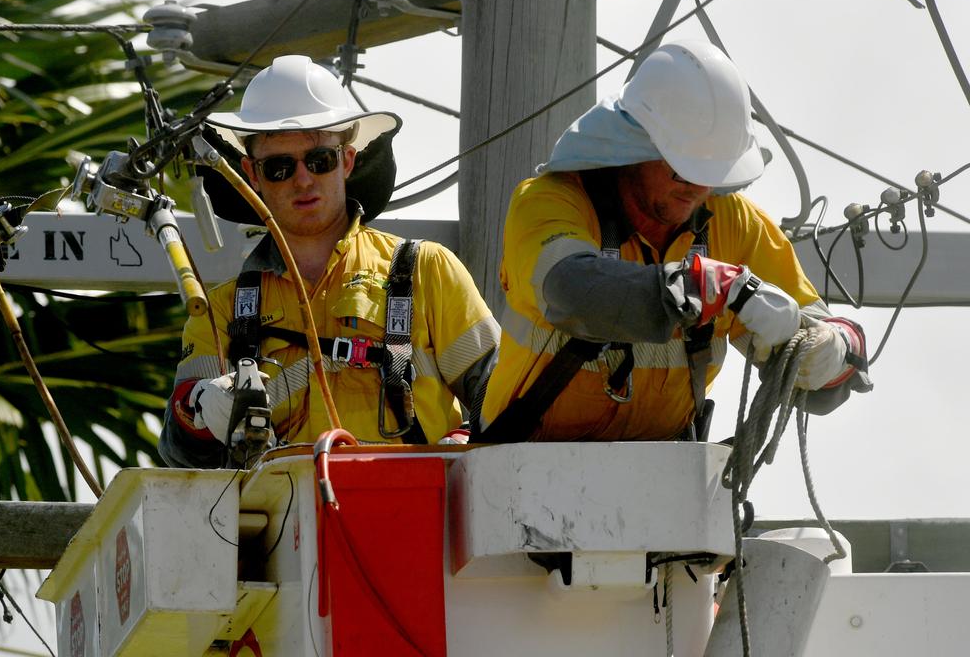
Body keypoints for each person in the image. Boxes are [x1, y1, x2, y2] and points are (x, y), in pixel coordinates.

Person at [477, 40, 871, 443]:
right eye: (682, 171)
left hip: (664, 476)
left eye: (711, 174)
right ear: (633, 148)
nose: (696, 189)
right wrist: (703, 285)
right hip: (522, 468)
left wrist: (832, 348)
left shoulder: (732, 222)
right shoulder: (550, 201)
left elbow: (821, 338)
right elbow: (573, 291)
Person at [159, 55, 500, 467]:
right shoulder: (220, 310)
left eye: (319, 160)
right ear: (252, 173)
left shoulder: (424, 269)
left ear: (348, 161)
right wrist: (198, 406)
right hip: (278, 522)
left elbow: (503, 398)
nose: (303, 180)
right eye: (280, 167)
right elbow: (181, 456)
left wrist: (464, 438)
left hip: (411, 512)